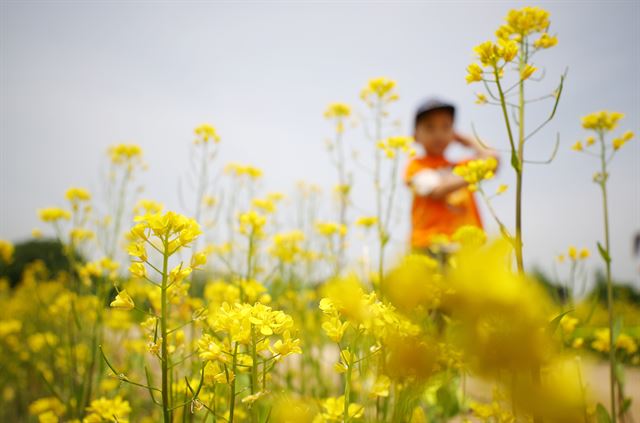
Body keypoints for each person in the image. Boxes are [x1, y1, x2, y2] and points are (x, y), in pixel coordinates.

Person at [405, 98, 497, 254]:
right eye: (430, 127)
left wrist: (469, 140)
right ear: (415, 136)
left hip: (466, 246)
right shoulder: (416, 166)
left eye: (446, 127)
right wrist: (474, 174)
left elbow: (493, 161)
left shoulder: (460, 166)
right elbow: (436, 190)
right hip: (428, 245)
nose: (438, 134)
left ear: (454, 133)